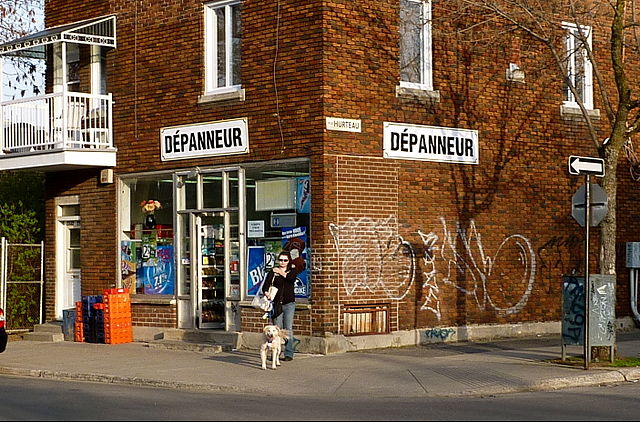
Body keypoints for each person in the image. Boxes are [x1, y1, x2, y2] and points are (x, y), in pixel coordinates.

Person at [262, 250, 297, 361]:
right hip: (277, 304)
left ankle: (289, 353)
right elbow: (265, 286)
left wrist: (281, 272)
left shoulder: (292, 270)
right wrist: (267, 293)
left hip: (289, 303)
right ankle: (275, 352)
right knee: (276, 329)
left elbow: (291, 279)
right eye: (280, 260)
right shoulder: (273, 272)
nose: (282, 262)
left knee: (288, 329)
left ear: (288, 261)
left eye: (285, 260)